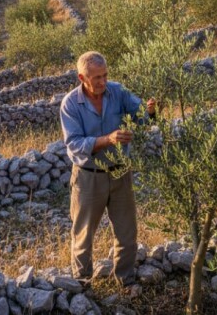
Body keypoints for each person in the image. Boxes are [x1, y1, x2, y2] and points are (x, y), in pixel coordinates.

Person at [60, 51, 156, 287]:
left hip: (120, 172)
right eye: (96, 78)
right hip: (88, 177)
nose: (103, 82)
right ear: (82, 78)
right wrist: (108, 139)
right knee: (83, 234)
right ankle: (82, 283)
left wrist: (150, 111)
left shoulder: (118, 91)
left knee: (127, 232)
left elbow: (141, 116)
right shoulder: (71, 104)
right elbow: (74, 145)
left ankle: (125, 279)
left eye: (105, 75)